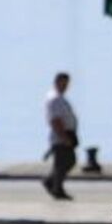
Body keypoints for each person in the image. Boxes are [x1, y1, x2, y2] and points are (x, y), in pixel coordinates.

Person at [43, 72, 78, 200]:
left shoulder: (59, 97)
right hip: (61, 136)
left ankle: (53, 184)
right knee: (63, 163)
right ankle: (56, 187)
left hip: (66, 134)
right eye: (63, 83)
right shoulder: (55, 99)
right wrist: (64, 137)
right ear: (57, 82)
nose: (65, 86)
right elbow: (55, 120)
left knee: (67, 162)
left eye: (67, 83)